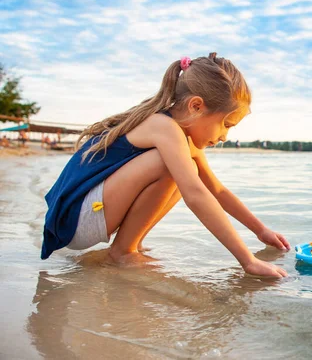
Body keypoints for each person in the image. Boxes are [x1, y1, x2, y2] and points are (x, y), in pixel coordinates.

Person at [42, 53, 290, 278]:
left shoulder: (180, 135)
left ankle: (130, 245)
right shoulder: (164, 127)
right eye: (226, 124)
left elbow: (217, 190)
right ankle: (123, 251)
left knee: (183, 170)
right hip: (75, 220)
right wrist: (248, 261)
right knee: (173, 169)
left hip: (83, 218)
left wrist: (261, 231)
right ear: (196, 106)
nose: (225, 136)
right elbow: (195, 194)